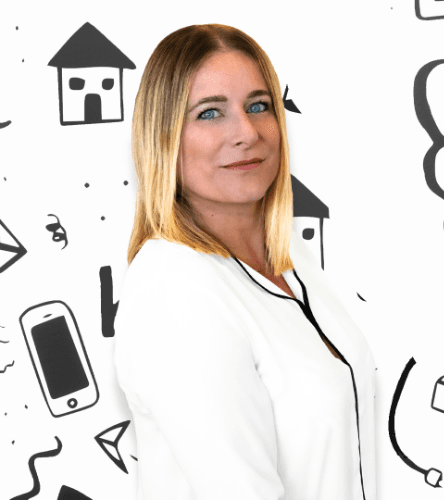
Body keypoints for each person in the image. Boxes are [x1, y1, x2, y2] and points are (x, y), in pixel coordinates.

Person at [113, 23, 377, 500]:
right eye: (210, 113)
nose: (247, 133)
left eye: (259, 106)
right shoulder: (174, 291)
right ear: (162, 136)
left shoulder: (291, 256)